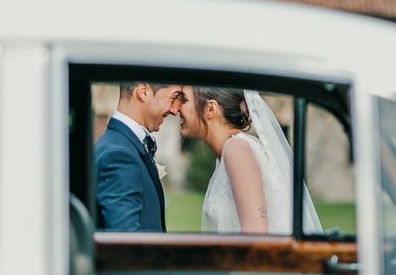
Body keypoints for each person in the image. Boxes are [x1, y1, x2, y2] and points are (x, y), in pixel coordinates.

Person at [179, 86, 322, 234]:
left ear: (210, 109)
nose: (177, 108)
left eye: (184, 100)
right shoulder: (231, 151)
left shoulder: (236, 149)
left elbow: (256, 233)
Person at [95, 82, 183, 231]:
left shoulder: (120, 144)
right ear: (143, 92)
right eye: (174, 97)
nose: (175, 110)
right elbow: (126, 242)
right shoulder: (119, 155)